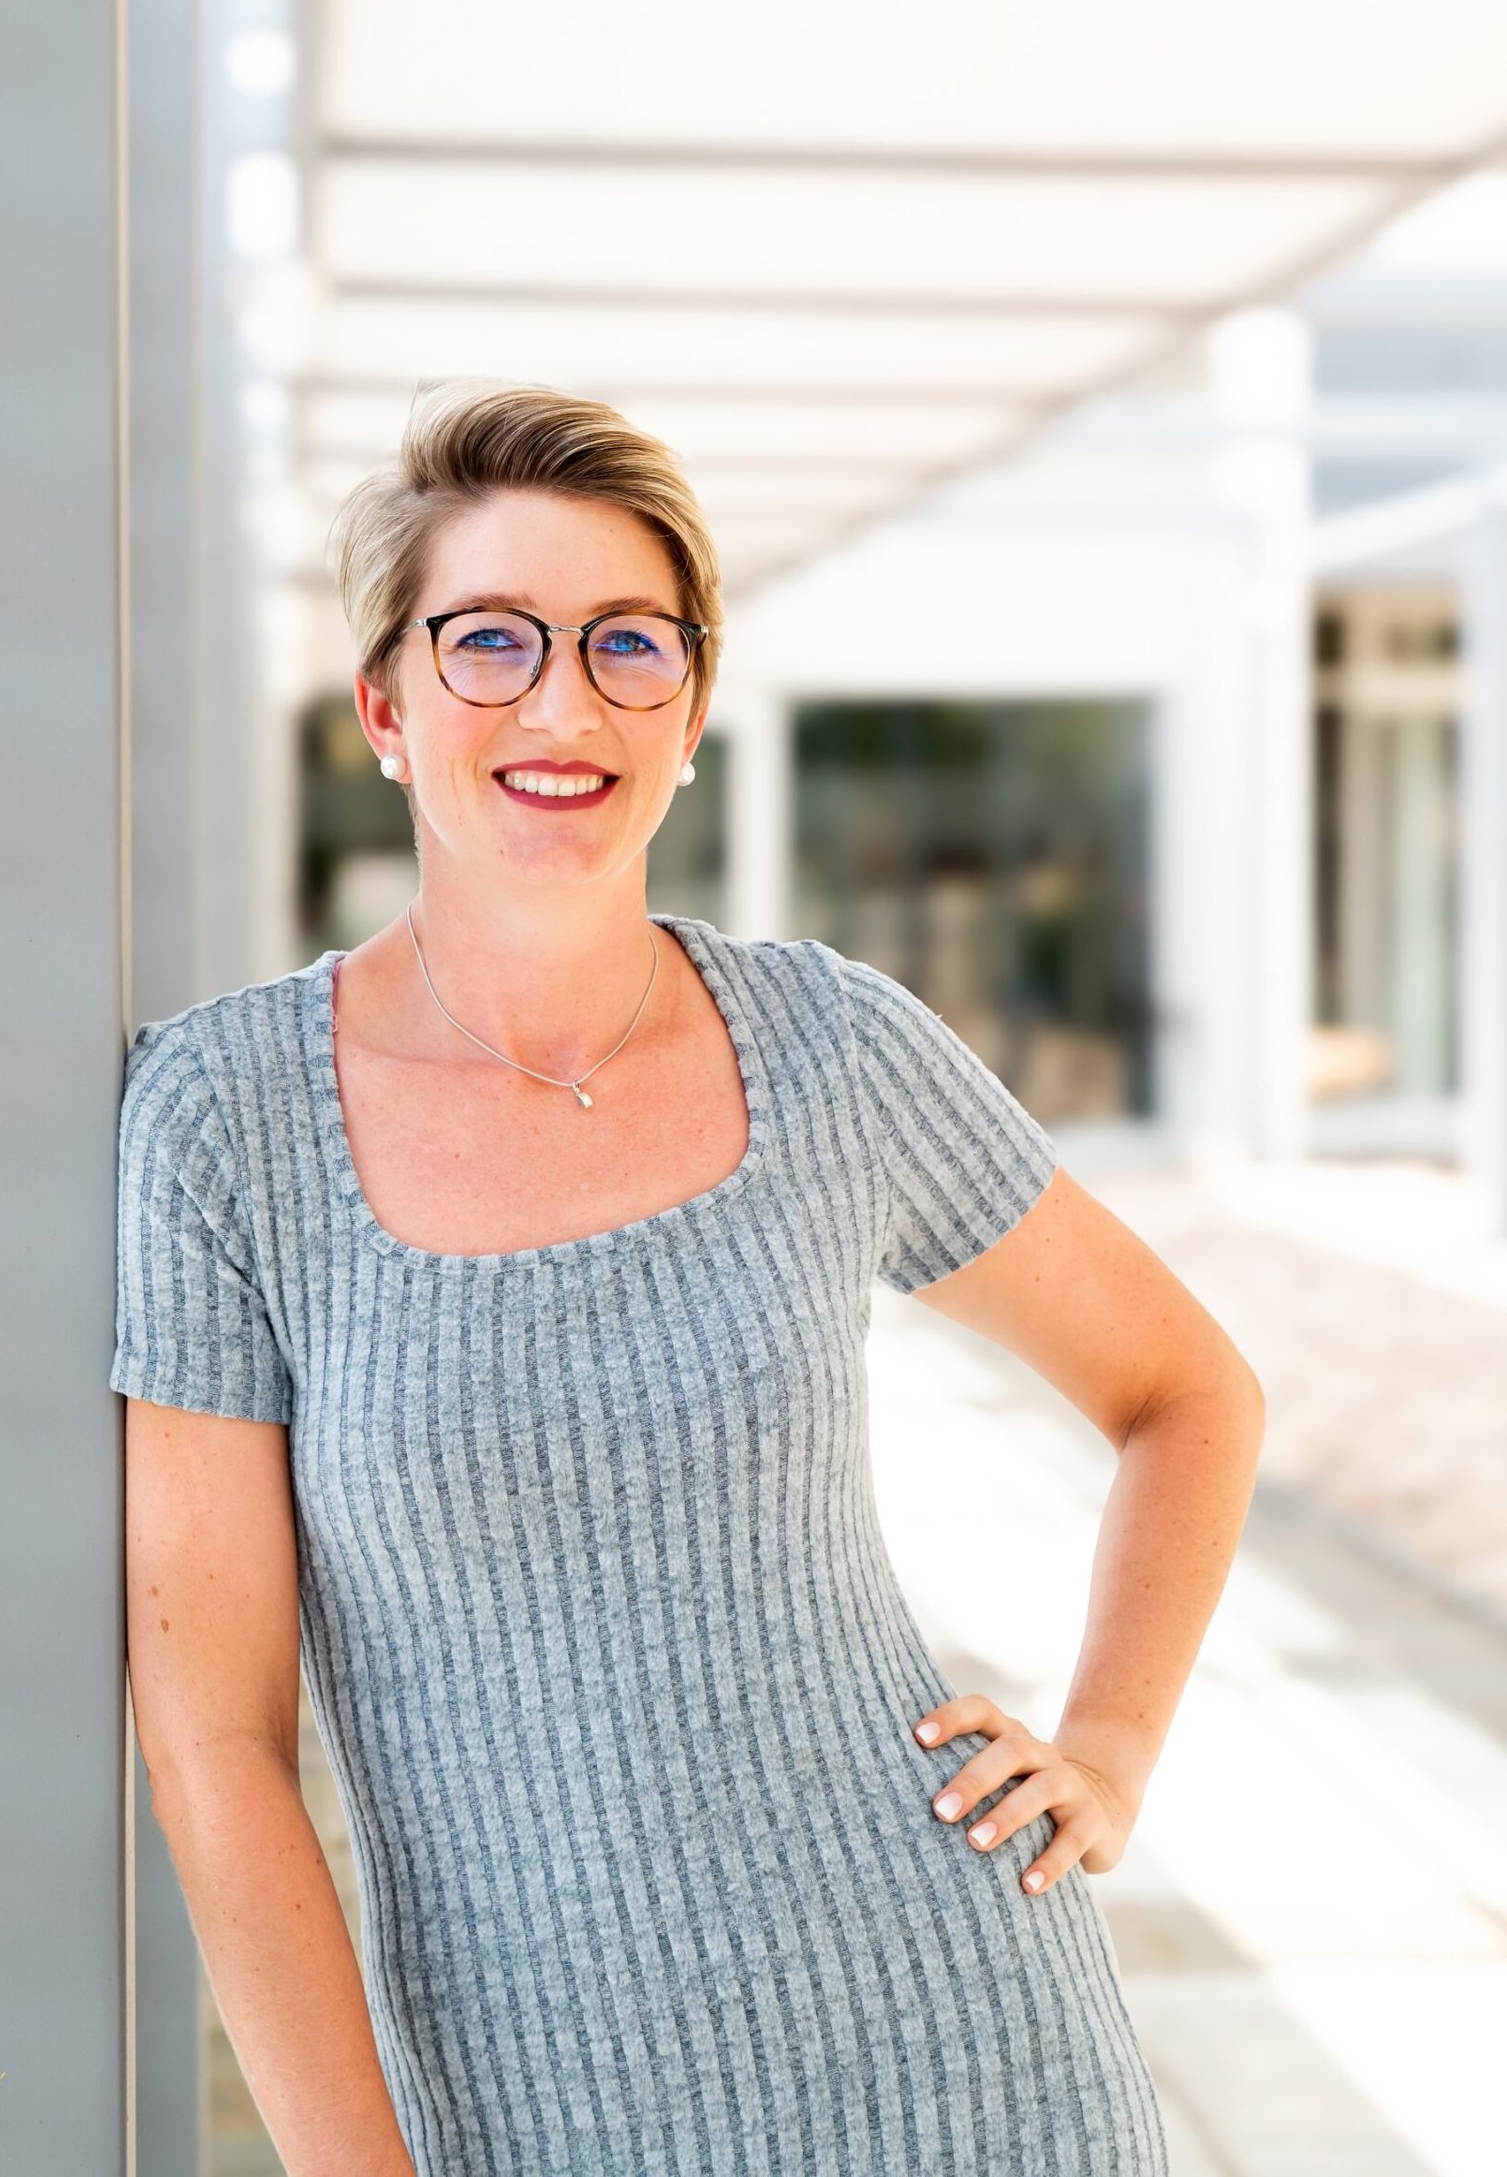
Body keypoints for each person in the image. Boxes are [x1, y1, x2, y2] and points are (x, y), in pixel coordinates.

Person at [112, 379, 1264, 2176]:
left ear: (693, 710)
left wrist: (1108, 1745)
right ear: (386, 707)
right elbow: (217, 1738)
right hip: (524, 2107)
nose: (561, 701)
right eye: (487, 640)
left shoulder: (826, 1044)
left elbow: (1186, 1392)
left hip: (970, 2056)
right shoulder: (222, 1121)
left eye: (627, 644)